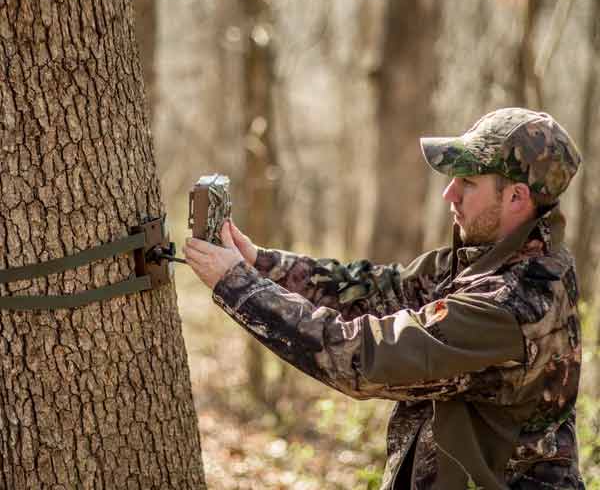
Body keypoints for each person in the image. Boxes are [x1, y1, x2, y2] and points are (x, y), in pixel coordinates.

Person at [184, 107, 585, 490]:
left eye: (467, 182)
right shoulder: (493, 259)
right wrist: (262, 264)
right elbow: (381, 289)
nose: (449, 193)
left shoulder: (511, 304)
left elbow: (364, 357)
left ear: (516, 197)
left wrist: (239, 286)